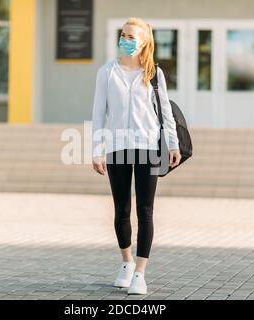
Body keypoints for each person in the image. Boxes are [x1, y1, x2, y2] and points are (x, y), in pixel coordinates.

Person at [91, 17, 181, 295]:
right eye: (123, 35)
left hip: (148, 146)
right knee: (122, 210)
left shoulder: (154, 73)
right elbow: (98, 113)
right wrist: (97, 149)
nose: (125, 40)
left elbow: (165, 112)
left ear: (143, 42)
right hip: (117, 147)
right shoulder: (106, 72)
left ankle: (140, 273)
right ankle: (126, 263)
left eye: (131, 36)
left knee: (145, 210)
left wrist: (173, 144)